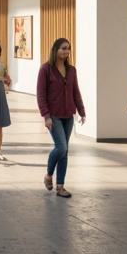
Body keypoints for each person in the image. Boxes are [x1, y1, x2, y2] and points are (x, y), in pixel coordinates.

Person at [37, 38, 85, 198]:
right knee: (61, 147)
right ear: (55, 49)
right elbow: (41, 95)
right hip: (54, 116)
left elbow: (75, 91)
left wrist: (81, 110)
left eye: (68, 49)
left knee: (65, 151)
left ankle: (60, 186)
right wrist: (46, 116)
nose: (66, 51)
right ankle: (49, 175)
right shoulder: (45, 69)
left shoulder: (71, 70)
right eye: (63, 48)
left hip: (68, 115)